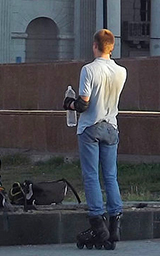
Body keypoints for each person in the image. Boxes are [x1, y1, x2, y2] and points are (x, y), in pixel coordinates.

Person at [64, 29, 128, 249]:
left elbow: (83, 104)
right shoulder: (122, 71)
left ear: (94, 45)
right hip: (111, 126)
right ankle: (115, 225)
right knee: (110, 176)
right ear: (111, 47)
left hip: (90, 127)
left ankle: (97, 225)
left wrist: (68, 103)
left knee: (91, 176)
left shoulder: (88, 69)